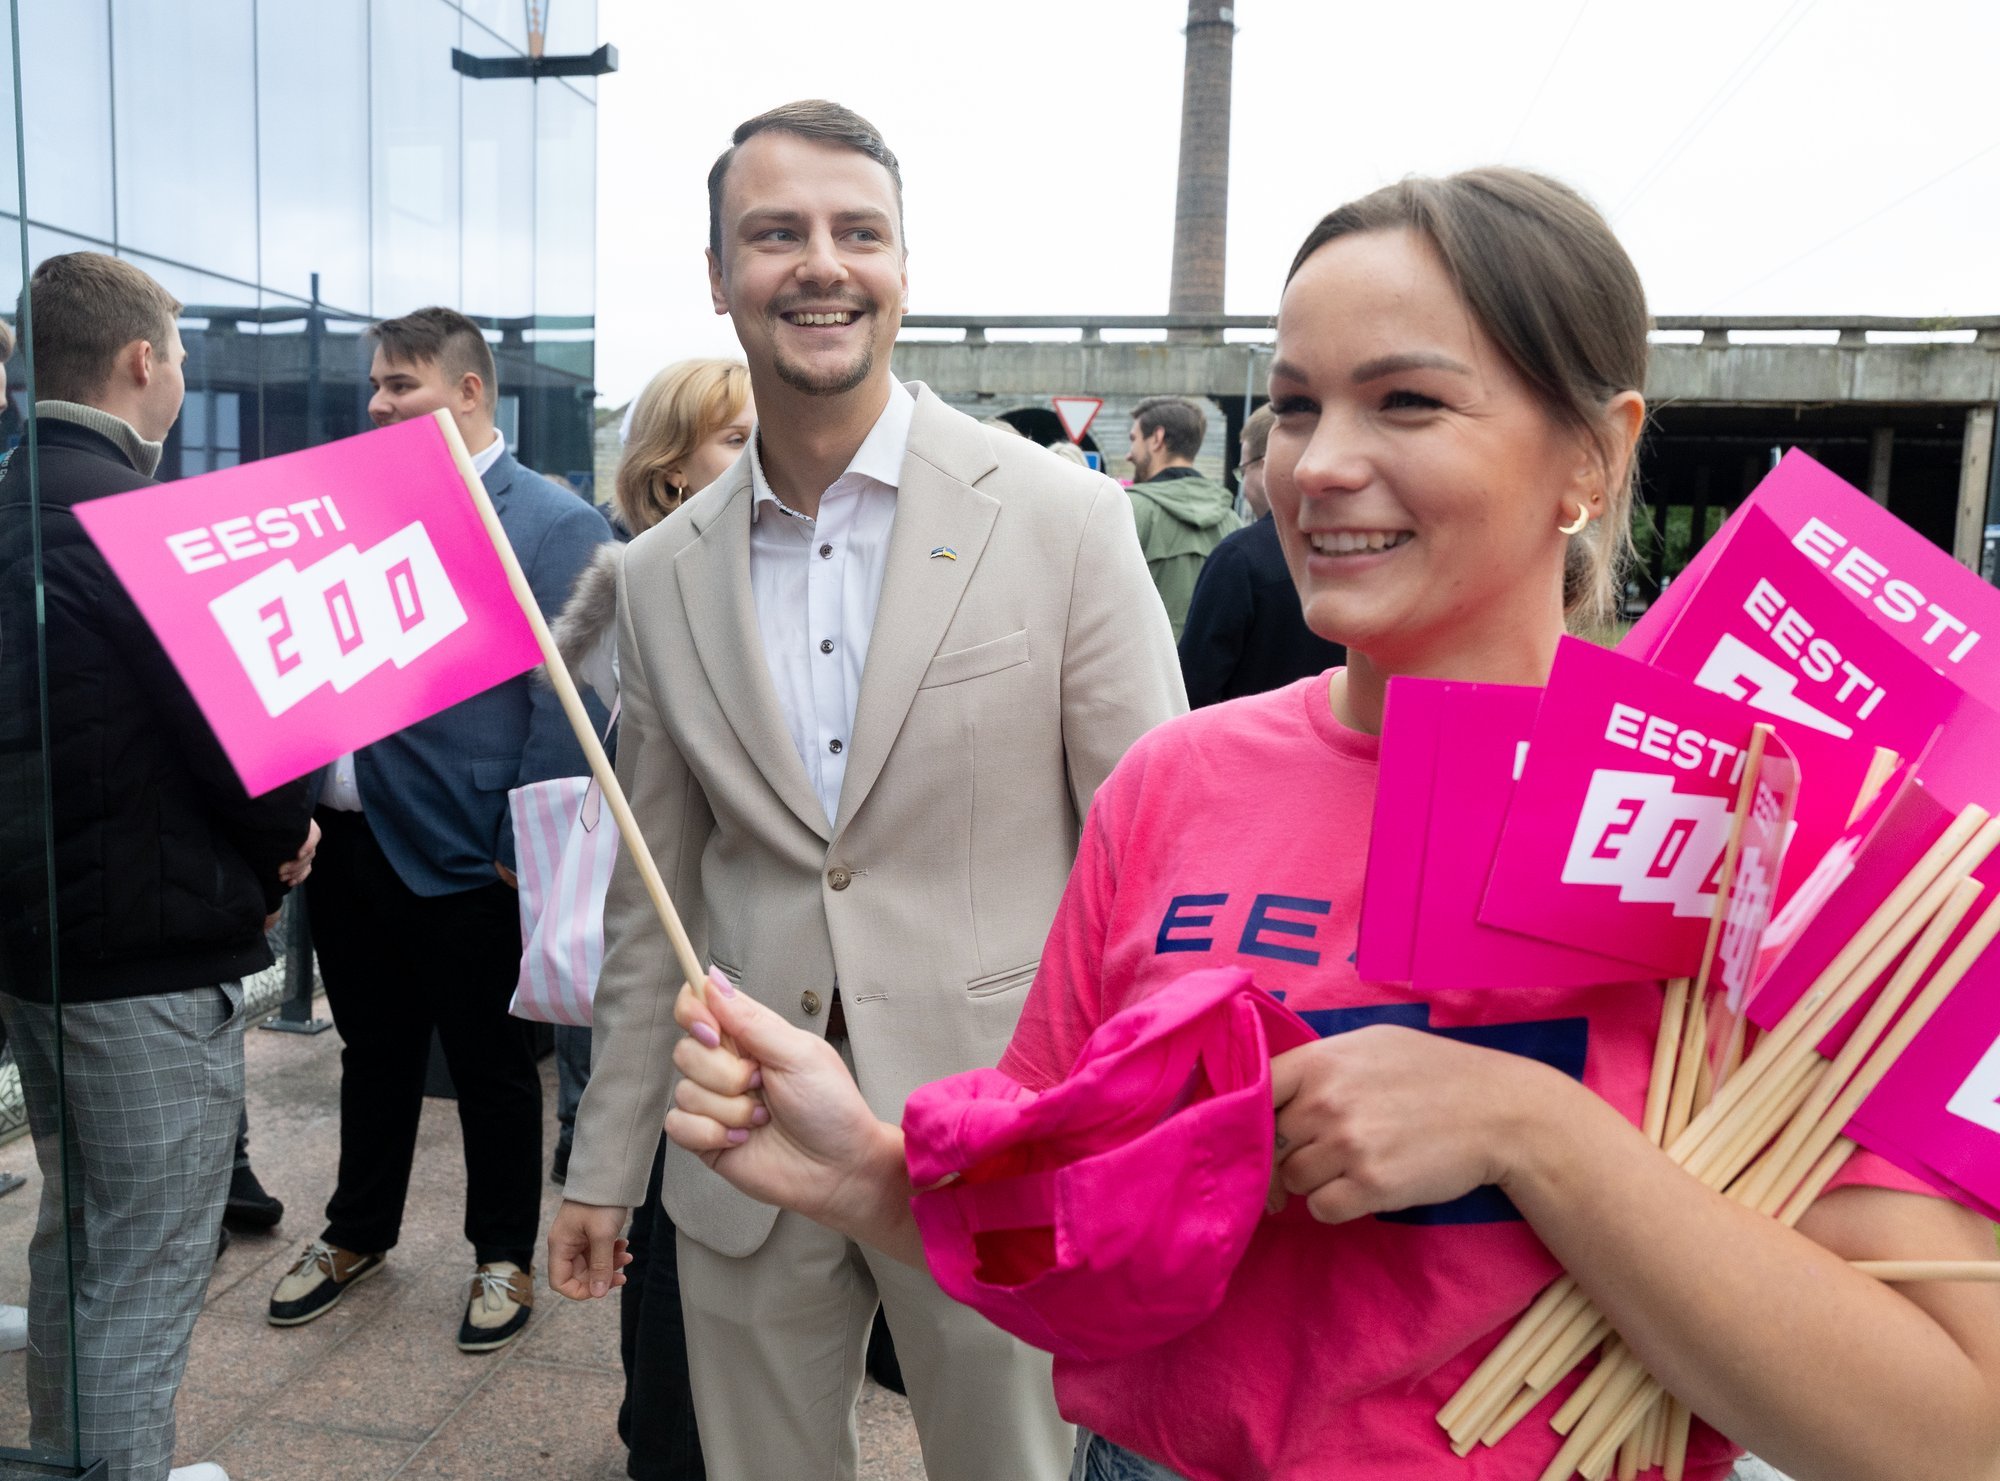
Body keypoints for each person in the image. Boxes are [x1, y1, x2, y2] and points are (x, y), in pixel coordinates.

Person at [654, 168, 2000, 1481]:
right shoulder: (1174, 781)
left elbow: (1954, 1431)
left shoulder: (1784, 834)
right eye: (1294, 407)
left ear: (1590, 453)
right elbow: (1074, 1239)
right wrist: (869, 1174)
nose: (1319, 466)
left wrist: (1531, 1130)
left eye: (1407, 401)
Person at [548, 99, 1185, 1481]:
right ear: (719, 277)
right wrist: (604, 1166)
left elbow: (1157, 862)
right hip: (744, 1146)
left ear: (905, 267)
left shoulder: (1065, 519)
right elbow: (654, 901)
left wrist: (1129, 1145)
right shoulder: (658, 578)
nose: (820, 263)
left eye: (858, 232)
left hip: (997, 1139)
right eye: (775, 234)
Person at [0, 251, 317, 1481]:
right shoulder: (139, 527)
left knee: (77, 1239)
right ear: (143, 362)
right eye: (180, 352)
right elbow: (242, 740)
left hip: (41, 947)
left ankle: (72, 1459)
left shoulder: (17, 498)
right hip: (142, 955)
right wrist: (287, 838)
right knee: (137, 1273)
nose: (182, 370)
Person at [268, 307, 611, 1353]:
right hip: (347, 834)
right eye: (375, 382)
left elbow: (572, 695)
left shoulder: (553, 522)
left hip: (470, 848)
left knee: (491, 1064)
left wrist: (524, 838)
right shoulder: (354, 507)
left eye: (400, 383)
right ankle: (354, 1231)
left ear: (467, 392)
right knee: (369, 1049)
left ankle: (501, 1253)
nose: (376, 401)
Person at [549, 355, 753, 1481]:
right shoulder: (651, 600)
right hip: (704, 999)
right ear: (669, 473)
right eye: (734, 439)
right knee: (680, 1293)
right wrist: (602, 1167)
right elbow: (654, 889)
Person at [1176, 403, 1345, 706]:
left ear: (1270, 463)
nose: (1245, 487)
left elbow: (1192, 687)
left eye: (1244, 470)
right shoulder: (1372, 553)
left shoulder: (1238, 559)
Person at [1123, 395, 1241, 638]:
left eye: (1133, 440)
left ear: (1157, 438)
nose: (1128, 454)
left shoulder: (1129, 511)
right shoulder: (1232, 521)